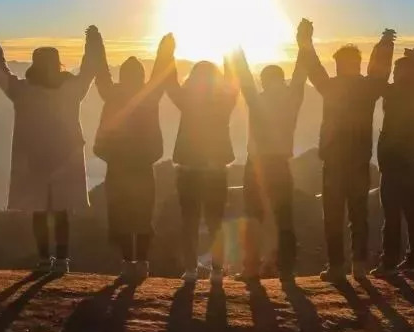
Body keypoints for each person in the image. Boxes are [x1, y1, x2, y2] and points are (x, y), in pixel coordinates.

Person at [0, 26, 100, 275]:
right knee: (61, 211)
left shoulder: (23, 91)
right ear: (58, 64)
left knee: (39, 211)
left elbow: (1, 74)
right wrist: (92, 44)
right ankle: (62, 260)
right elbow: (88, 71)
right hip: (66, 156)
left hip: (33, 158)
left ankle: (43, 258)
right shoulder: (71, 89)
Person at [298, 19, 395, 282]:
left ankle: (337, 266)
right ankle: (358, 266)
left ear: (341, 64)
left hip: (334, 162)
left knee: (333, 216)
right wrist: (385, 46)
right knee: (358, 215)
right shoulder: (367, 88)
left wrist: (305, 41)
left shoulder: (331, 87)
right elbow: (380, 73)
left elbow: (313, 68)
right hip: (359, 161)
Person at [92, 31, 175, 283]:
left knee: (121, 215)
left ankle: (129, 262)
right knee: (142, 215)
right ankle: (142, 262)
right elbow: (160, 73)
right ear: (140, 76)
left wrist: (96, 44)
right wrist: (165, 50)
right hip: (142, 166)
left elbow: (101, 73)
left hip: (117, 165)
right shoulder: (149, 95)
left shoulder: (112, 93)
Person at [230, 43, 306, 283]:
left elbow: (245, 79)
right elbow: (300, 76)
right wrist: (304, 44)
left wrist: (237, 53)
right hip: (280, 163)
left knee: (253, 216)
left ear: (263, 81)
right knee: (283, 217)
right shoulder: (292, 98)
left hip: (256, 164)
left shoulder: (257, 99)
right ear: (281, 79)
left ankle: (251, 267)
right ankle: (284, 268)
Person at [167, 52, 239, 287]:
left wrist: (167, 55)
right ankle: (217, 270)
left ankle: (191, 269)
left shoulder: (187, 101)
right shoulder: (223, 101)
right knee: (215, 221)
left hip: (189, 170)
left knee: (189, 221)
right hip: (216, 170)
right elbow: (234, 85)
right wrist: (230, 59)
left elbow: (170, 85)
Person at [371, 48, 414, 276]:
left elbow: (377, 78)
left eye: (397, 70)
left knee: (393, 215)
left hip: (394, 162)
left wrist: (384, 48)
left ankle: (390, 262)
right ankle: (413, 260)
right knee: (412, 213)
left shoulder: (394, 93)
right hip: (411, 161)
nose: (394, 74)